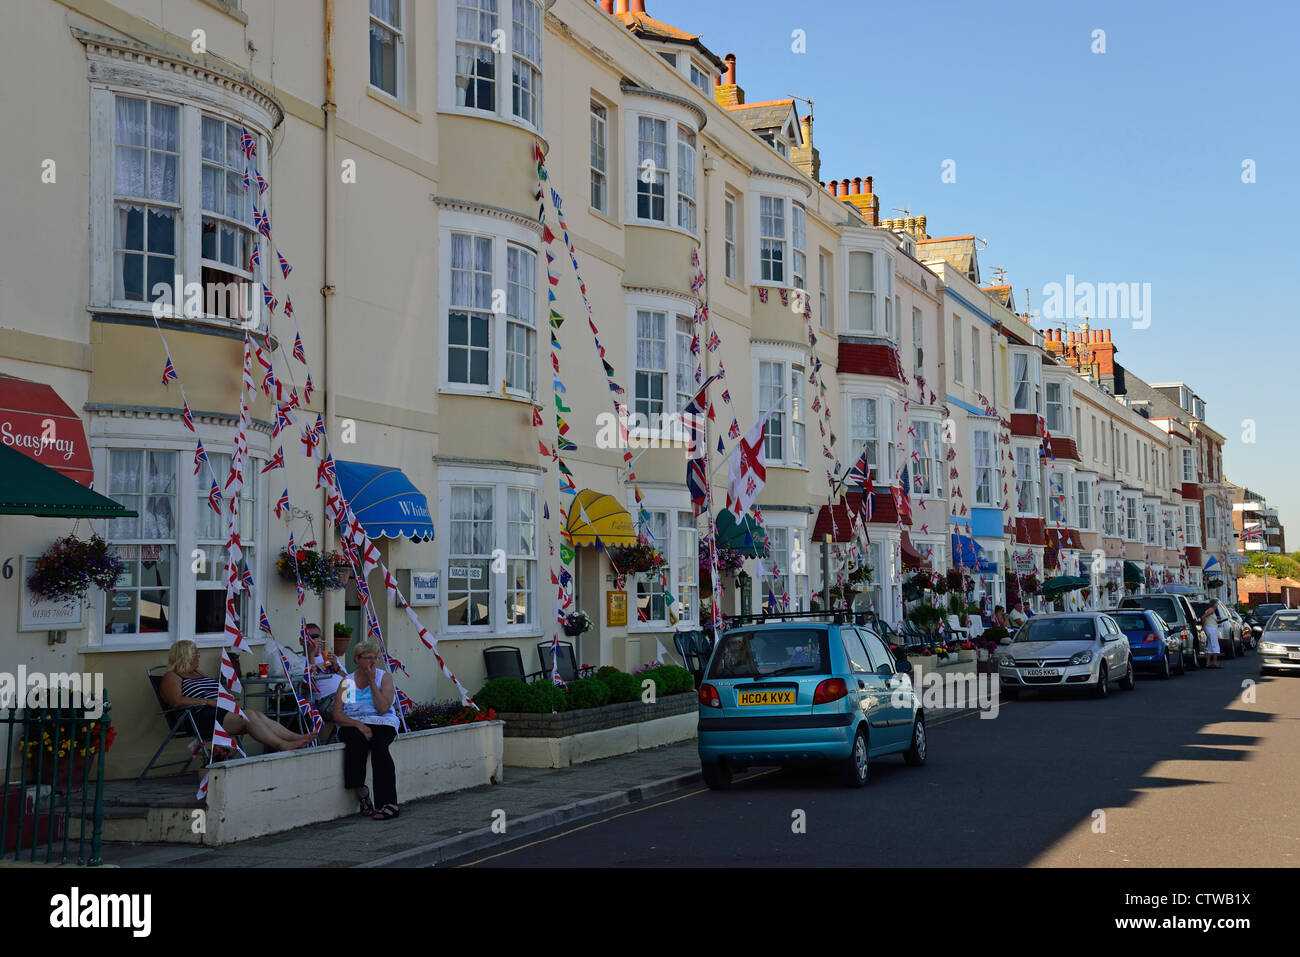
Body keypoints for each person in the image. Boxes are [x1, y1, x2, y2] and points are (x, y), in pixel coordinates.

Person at [160, 640, 315, 754]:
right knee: (248, 716)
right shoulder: (172, 676)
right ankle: (282, 745)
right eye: (196, 654)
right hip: (198, 717)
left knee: (256, 715)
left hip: (219, 711)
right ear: (185, 656)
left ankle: (296, 737)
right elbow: (176, 701)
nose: (198, 657)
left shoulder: (198, 674)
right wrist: (209, 702)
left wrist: (225, 697)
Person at [333, 641, 401, 821]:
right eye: (367, 658)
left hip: (381, 721)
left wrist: (371, 681)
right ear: (357, 659)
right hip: (354, 722)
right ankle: (361, 791)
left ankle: (389, 803)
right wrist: (358, 725)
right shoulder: (348, 682)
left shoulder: (383, 677)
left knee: (380, 747)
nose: (372, 662)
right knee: (355, 742)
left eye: (374, 658)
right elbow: (338, 714)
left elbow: (383, 708)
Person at [302, 622, 344, 742]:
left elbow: (348, 678)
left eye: (318, 636)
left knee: (374, 701)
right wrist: (310, 654)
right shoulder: (299, 661)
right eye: (312, 637)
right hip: (325, 700)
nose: (316, 640)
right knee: (359, 708)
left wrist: (336, 667)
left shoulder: (329, 657)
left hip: (346, 693)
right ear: (302, 641)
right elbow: (308, 684)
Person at [1201, 603, 1222, 668]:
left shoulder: (1210, 610)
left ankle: (1208, 663)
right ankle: (1215, 663)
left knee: (1210, 646)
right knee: (1215, 646)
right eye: (1217, 604)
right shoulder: (1211, 610)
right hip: (1211, 629)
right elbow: (1203, 617)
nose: (1217, 606)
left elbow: (1209, 619)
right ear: (1214, 605)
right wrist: (1203, 626)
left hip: (1211, 628)